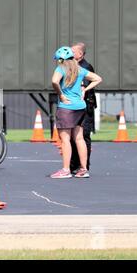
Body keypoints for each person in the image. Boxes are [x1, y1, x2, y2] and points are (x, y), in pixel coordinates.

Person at [50, 46, 102, 179]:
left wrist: (60, 94)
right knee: (79, 138)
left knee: (65, 140)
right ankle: (83, 169)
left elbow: (54, 81)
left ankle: (66, 170)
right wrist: (85, 90)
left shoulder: (61, 68)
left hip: (66, 107)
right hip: (80, 107)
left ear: (61, 59)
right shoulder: (80, 69)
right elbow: (97, 79)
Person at [70, 42, 97, 173]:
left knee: (83, 135)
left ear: (80, 54)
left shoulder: (85, 67)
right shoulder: (71, 66)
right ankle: (73, 165)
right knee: (73, 136)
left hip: (85, 106)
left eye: (72, 51)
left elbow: (83, 87)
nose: (69, 54)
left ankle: (83, 166)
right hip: (75, 106)